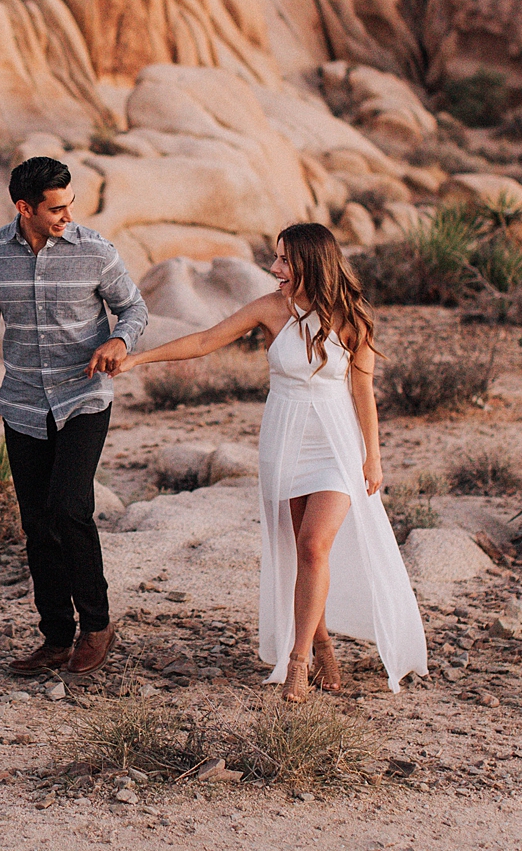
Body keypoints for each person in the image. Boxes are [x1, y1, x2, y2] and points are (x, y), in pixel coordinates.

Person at [114, 223, 426, 700]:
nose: (275, 269)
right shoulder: (269, 309)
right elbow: (203, 341)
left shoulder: (352, 319)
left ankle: (297, 661)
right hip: (285, 437)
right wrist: (138, 360)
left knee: (316, 544)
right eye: (276, 259)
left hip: (336, 443)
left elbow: (363, 391)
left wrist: (374, 457)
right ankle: (320, 644)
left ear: (310, 264)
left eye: (284, 260)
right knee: (299, 549)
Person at [0, 156, 148, 678]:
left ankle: (96, 625)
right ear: (23, 208)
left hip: (83, 398)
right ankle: (56, 637)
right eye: (56, 208)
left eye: (70, 203)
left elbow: (135, 309)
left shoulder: (95, 250)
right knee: (37, 525)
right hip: (24, 404)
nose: (67, 215)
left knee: (69, 508)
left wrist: (119, 339)